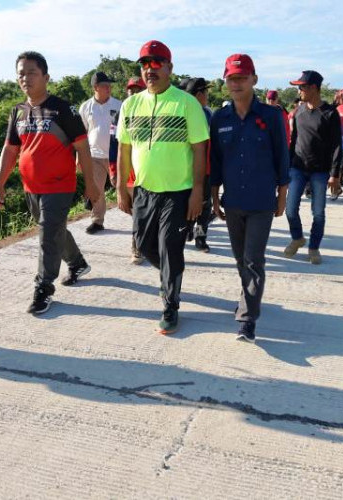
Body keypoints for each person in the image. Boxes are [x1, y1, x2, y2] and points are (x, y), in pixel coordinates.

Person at [0, 51, 100, 315]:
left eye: (31, 72)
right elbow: (9, 150)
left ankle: (43, 288)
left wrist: (91, 184)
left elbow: (83, 149)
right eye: (21, 73)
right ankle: (77, 263)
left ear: (46, 77)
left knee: (47, 236)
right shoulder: (18, 112)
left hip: (60, 185)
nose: (25, 78)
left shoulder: (63, 109)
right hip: (32, 187)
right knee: (54, 230)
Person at [116, 40, 209, 335]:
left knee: (170, 247)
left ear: (169, 68)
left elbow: (199, 150)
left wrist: (197, 191)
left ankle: (171, 303)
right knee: (144, 245)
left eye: (156, 63)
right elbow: (124, 150)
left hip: (178, 192)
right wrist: (120, 187)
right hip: (144, 189)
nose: (149, 69)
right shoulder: (131, 104)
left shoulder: (186, 103)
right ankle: (172, 274)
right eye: (144, 64)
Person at [210, 54, 289, 343]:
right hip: (232, 201)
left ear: (254, 79)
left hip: (261, 201)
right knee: (240, 259)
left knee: (254, 259)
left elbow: (282, 156)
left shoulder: (270, 116)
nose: (237, 82)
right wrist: (213, 197)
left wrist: (282, 194)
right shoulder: (220, 118)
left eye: (242, 77)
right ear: (226, 82)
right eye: (232, 78)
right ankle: (248, 299)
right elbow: (216, 161)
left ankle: (247, 320)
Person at [284, 70, 342, 264]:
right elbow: (294, 141)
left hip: (320, 171)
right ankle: (297, 237)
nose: (299, 90)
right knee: (290, 209)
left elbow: (336, 146)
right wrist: (287, 165)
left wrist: (335, 175)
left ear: (314, 88)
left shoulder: (330, 113)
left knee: (318, 212)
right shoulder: (299, 111)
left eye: (302, 87)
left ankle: (314, 248)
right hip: (298, 168)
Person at [78, 71, 122, 234]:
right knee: (96, 188)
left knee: (123, 187)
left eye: (109, 85)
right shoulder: (85, 107)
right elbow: (81, 135)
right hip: (94, 155)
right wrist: (79, 158)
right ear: (95, 87)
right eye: (105, 86)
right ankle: (97, 221)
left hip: (115, 156)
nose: (109, 88)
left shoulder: (119, 105)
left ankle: (137, 218)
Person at [184, 77, 214, 252]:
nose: (208, 96)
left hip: (206, 168)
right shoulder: (184, 111)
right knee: (186, 203)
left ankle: (200, 237)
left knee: (204, 205)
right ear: (199, 94)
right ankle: (187, 229)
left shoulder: (208, 113)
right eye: (206, 92)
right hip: (187, 168)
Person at [123, 76, 147, 265]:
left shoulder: (154, 111)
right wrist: (116, 173)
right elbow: (118, 148)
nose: (134, 92)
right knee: (138, 212)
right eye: (131, 89)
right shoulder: (123, 113)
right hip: (131, 174)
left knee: (144, 212)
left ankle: (143, 243)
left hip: (150, 174)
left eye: (138, 89)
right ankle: (137, 247)